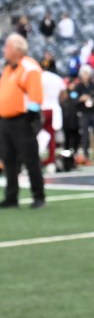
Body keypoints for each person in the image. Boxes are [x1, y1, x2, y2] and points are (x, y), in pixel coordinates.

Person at [0, 34, 46, 208]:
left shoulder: (29, 67)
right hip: (5, 121)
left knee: (30, 158)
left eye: (7, 47)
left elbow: (36, 96)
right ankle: (11, 196)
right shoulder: (8, 68)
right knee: (8, 159)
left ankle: (38, 196)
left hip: (22, 120)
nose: (4, 50)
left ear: (17, 50)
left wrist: (29, 119)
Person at [75, 64, 94, 164]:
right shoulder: (78, 87)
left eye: (87, 73)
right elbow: (73, 99)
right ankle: (86, 157)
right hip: (83, 113)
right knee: (85, 136)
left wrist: (93, 99)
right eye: (84, 73)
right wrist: (81, 99)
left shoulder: (93, 86)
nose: (85, 75)